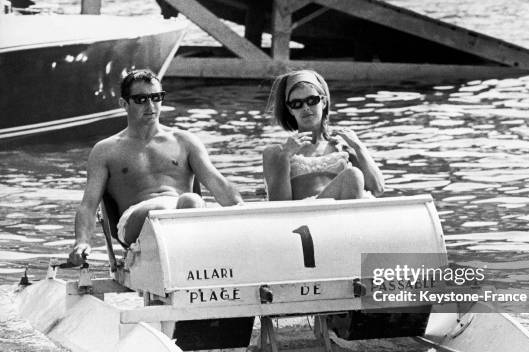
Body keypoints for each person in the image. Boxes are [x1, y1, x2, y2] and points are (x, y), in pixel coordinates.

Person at [68, 69, 242, 265]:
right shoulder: (106, 150)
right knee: (162, 207)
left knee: (191, 200)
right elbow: (88, 205)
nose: (150, 106)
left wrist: (247, 218)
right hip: (136, 220)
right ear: (124, 104)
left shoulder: (184, 141)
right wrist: (81, 243)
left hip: (183, 213)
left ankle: (185, 263)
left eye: (156, 97)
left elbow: (219, 185)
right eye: (141, 99)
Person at [262, 69, 384, 201]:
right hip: (303, 216)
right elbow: (278, 204)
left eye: (312, 100)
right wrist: (285, 156)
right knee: (352, 175)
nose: (306, 108)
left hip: (340, 212)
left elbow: (378, 189)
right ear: (290, 110)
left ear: (324, 102)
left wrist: (358, 147)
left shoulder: (343, 148)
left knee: (353, 175)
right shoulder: (276, 152)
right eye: (297, 104)